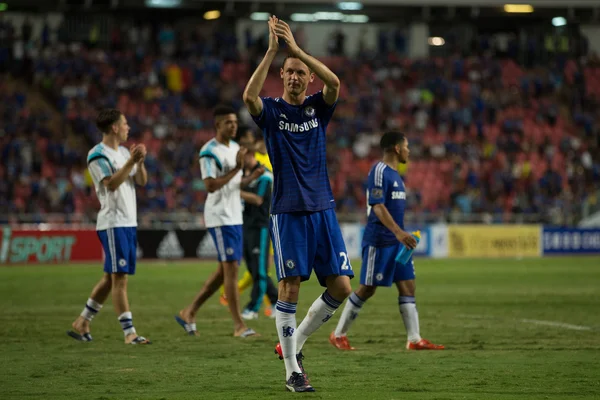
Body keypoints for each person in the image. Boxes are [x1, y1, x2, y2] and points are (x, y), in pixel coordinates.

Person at [243, 16, 353, 392]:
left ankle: (296, 343)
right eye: (287, 72)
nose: (292, 77)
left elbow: (336, 83)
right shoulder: (272, 112)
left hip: (323, 208)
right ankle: (292, 370)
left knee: (341, 287)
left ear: (308, 79)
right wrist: (273, 51)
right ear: (282, 77)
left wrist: (298, 51)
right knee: (289, 288)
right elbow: (248, 98)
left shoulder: (319, 110)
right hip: (288, 210)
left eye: (299, 72)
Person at [329, 132, 445, 351]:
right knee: (367, 288)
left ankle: (414, 339)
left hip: (397, 243)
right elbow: (377, 206)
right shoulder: (379, 171)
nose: (409, 150)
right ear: (397, 148)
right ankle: (338, 334)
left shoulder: (396, 176)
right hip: (379, 241)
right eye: (407, 146)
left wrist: (401, 236)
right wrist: (399, 232)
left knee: (408, 286)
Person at [175, 105, 262, 338]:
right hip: (220, 216)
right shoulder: (208, 152)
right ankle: (239, 325)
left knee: (225, 272)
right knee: (231, 269)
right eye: (228, 123)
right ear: (218, 125)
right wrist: (238, 168)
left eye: (235, 122)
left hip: (234, 214)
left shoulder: (235, 148)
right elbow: (211, 185)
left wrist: (251, 176)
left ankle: (189, 312)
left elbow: (234, 183)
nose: (233, 126)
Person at [67, 109, 151, 345]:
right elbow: (111, 184)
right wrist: (131, 162)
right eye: (125, 123)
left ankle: (82, 321)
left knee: (110, 278)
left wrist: (140, 162)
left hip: (127, 221)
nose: (128, 127)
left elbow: (141, 181)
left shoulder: (124, 152)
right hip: (113, 222)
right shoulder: (97, 155)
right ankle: (129, 332)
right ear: (114, 127)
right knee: (120, 278)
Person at [237, 128, 279, 319]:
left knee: (260, 269)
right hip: (246, 225)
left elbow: (258, 199)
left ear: (250, 154)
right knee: (254, 268)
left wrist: (233, 192)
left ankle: (253, 308)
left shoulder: (264, 174)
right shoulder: (243, 176)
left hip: (261, 226)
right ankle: (277, 302)